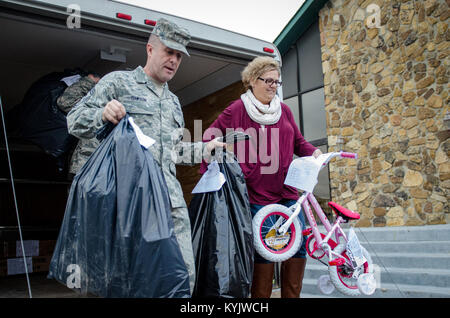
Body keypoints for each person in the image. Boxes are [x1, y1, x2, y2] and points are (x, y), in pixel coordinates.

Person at [66, 18, 224, 294]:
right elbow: (74, 120)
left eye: (179, 56)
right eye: (169, 51)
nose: (174, 60)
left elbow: (174, 151)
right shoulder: (119, 83)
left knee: (182, 275)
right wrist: (101, 115)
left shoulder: (173, 101)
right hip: (130, 205)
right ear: (150, 49)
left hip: (170, 203)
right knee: (130, 281)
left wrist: (206, 149)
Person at [201, 56, 322, 298]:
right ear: (252, 81)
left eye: (276, 82)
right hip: (255, 197)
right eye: (268, 80)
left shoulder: (284, 110)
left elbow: (298, 142)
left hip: (288, 195)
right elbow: (209, 136)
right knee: (264, 252)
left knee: (297, 250)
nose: (273, 86)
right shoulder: (236, 110)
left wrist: (315, 152)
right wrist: (214, 146)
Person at [57, 73, 101, 177]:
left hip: (113, 169)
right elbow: (66, 102)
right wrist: (90, 82)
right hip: (88, 167)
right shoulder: (101, 103)